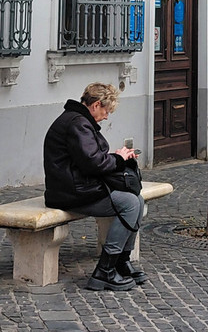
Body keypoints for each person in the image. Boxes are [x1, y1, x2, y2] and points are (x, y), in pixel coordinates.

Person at [43, 83, 145, 291]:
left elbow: (89, 159)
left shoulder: (77, 120)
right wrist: (118, 158)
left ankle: (120, 261)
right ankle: (104, 271)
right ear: (96, 105)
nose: (107, 116)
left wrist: (116, 157)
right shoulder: (77, 124)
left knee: (137, 199)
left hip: (77, 187)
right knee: (130, 203)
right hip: (72, 192)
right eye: (106, 111)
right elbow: (93, 163)